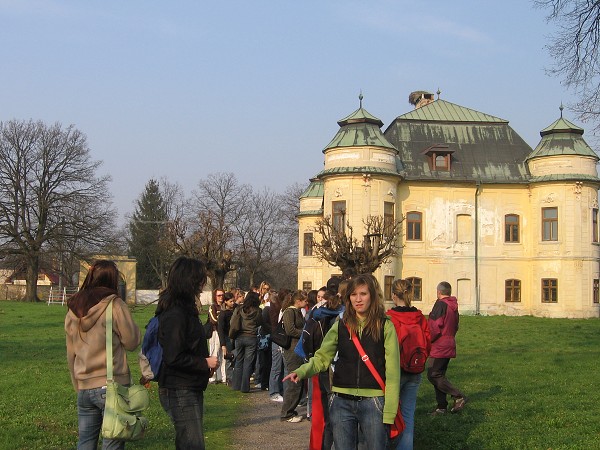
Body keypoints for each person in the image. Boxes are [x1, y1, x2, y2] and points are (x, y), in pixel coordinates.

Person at [284, 274, 400, 449]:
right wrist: (301, 371)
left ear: (373, 296)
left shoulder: (385, 326)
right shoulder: (341, 324)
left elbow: (392, 372)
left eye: (363, 294)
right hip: (341, 401)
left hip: (373, 400)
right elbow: (322, 357)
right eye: (354, 295)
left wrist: (390, 411)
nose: (358, 299)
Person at [65, 259, 141, 450]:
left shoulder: (73, 309)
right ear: (113, 280)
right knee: (113, 442)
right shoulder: (115, 305)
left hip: (84, 385)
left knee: (85, 443)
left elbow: (70, 353)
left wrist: (78, 384)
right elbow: (132, 342)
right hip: (111, 384)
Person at [156, 257, 219, 450]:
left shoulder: (185, 310)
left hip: (188, 385)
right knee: (192, 445)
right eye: (200, 280)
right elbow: (173, 356)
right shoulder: (176, 314)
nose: (203, 285)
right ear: (189, 281)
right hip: (179, 388)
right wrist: (204, 363)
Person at [387, 279, 431, 450]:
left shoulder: (390, 317)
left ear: (393, 295)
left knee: (388, 414)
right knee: (408, 414)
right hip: (415, 370)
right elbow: (428, 342)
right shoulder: (420, 317)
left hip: (394, 372)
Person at [303, 290, 344, 450]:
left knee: (324, 415)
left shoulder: (316, 313)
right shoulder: (337, 317)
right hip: (331, 367)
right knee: (336, 418)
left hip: (320, 364)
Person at [427, 281, 468, 415]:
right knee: (439, 376)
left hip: (439, 345)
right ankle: (441, 407)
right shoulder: (453, 307)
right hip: (449, 342)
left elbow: (434, 326)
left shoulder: (440, 304)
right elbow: (456, 326)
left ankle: (458, 396)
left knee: (433, 375)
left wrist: (427, 340)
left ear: (438, 292)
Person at [280, 290, 308, 423]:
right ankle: (287, 413)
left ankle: (290, 410)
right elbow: (290, 330)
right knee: (294, 381)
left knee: (298, 380)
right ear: (298, 301)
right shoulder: (289, 312)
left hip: (297, 348)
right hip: (292, 349)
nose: (306, 302)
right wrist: (306, 333)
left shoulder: (296, 312)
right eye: (304, 300)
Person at [229, 291, 263, 393]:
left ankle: (236, 385)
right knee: (248, 363)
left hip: (239, 337)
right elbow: (259, 323)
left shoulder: (239, 309)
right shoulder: (258, 311)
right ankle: (245, 387)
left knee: (239, 361)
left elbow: (232, 322)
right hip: (251, 337)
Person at [268, 288, 288, 402]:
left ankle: (280, 390)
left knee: (282, 367)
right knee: (276, 366)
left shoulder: (279, 308)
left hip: (279, 338)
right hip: (278, 339)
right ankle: (274, 392)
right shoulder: (276, 309)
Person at [218, 292, 236, 384]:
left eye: (233, 301)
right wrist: (223, 344)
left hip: (235, 337)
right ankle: (229, 379)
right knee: (229, 358)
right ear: (226, 302)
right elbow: (220, 329)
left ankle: (235, 377)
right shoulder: (223, 314)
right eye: (230, 301)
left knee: (236, 357)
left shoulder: (236, 309)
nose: (233, 303)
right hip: (227, 337)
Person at [208, 288, 225, 383]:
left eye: (222, 295)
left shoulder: (224, 306)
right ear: (215, 297)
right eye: (219, 295)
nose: (221, 297)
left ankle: (222, 376)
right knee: (214, 353)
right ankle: (212, 376)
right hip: (215, 332)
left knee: (223, 355)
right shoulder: (213, 307)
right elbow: (213, 320)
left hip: (223, 333)